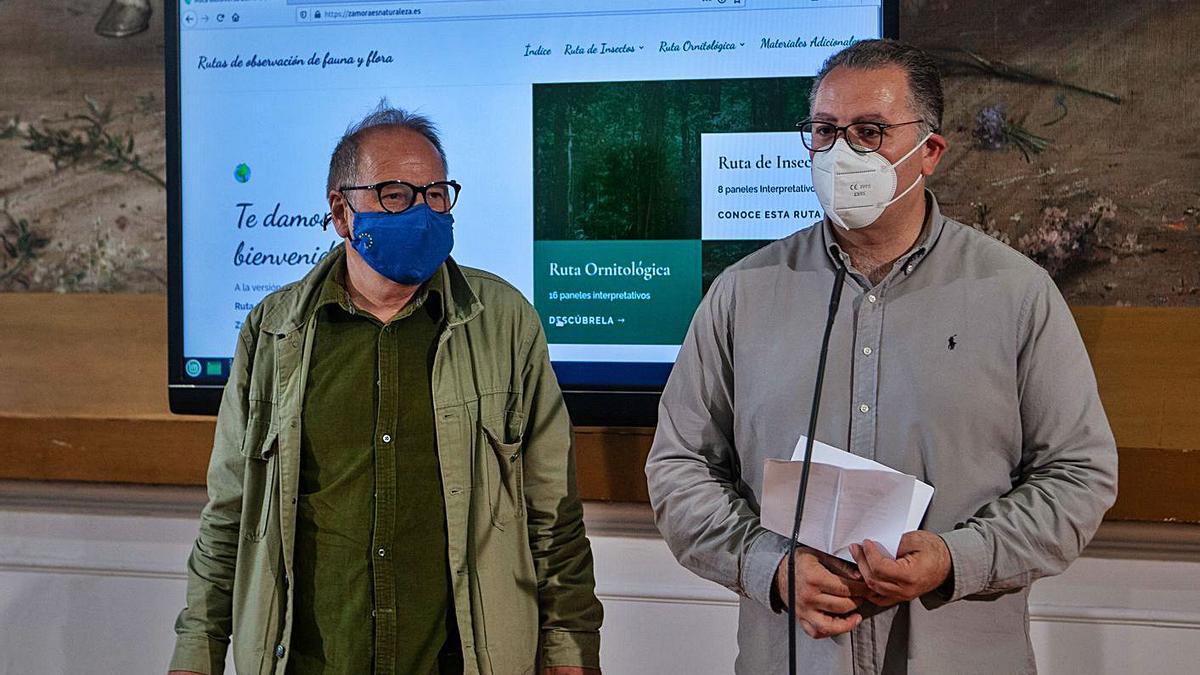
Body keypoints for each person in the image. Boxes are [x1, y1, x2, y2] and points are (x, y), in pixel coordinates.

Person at [645, 39, 1118, 674]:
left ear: (930, 152)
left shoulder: (1017, 294)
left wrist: (957, 558)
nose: (843, 153)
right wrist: (771, 566)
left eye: (869, 131)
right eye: (824, 131)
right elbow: (679, 468)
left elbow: (1079, 475)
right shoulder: (743, 293)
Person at [169, 103, 602, 675]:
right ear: (341, 213)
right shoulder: (273, 332)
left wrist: (570, 656)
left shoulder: (505, 323)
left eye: (436, 194)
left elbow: (554, 515)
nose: (422, 212)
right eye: (396, 195)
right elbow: (229, 515)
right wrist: (195, 655)